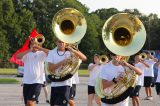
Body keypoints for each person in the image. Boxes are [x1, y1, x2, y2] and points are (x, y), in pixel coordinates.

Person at [46, 39, 87, 106]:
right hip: (55, 83)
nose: (61, 43)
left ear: (65, 43)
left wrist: (74, 50)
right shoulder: (52, 53)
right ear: (56, 42)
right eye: (59, 41)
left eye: (63, 42)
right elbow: (51, 68)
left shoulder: (70, 53)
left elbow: (84, 58)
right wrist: (63, 62)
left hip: (66, 84)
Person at [16, 38, 49, 106]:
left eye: (36, 44)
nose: (34, 45)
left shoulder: (41, 53)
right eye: (32, 44)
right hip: (27, 82)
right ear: (30, 45)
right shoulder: (27, 54)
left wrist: (40, 48)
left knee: (30, 102)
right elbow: (18, 56)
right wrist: (30, 50)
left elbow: (51, 53)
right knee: (27, 104)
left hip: (37, 82)